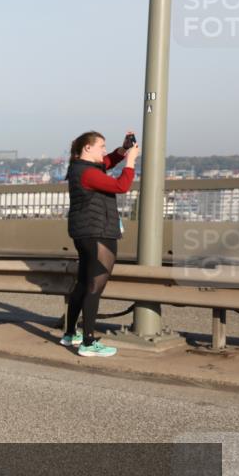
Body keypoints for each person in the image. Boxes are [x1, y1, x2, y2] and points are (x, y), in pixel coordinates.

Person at [61, 130, 139, 357]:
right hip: (99, 234)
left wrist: (123, 150)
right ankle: (87, 342)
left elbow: (107, 162)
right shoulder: (87, 173)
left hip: (85, 232)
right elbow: (121, 186)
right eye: (101, 146)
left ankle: (70, 334)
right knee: (95, 287)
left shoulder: (80, 168)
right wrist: (131, 161)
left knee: (83, 285)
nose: (104, 150)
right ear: (87, 148)